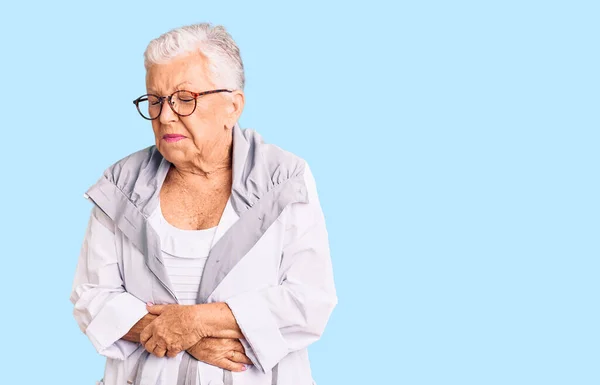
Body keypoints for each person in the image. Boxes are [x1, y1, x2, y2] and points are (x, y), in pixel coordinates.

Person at [69, 23, 337, 385]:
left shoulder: (284, 179)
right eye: (155, 100)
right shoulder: (120, 185)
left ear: (232, 105)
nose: (165, 116)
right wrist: (186, 338)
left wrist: (194, 322)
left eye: (184, 98)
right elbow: (91, 298)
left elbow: (309, 301)